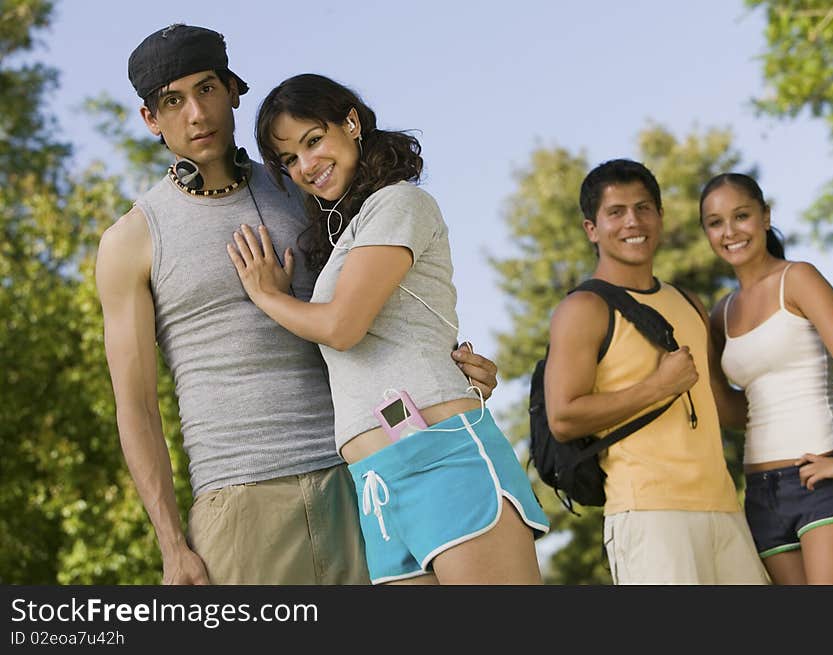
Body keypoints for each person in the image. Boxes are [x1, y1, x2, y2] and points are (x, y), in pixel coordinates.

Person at [95, 23, 499, 585]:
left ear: (234, 89)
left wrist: (451, 367)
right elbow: (135, 406)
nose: (196, 113)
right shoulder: (131, 241)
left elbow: (381, 295)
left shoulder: (305, 188)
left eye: (207, 89)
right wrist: (171, 544)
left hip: (364, 472)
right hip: (239, 499)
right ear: (151, 120)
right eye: (172, 101)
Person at [226, 73, 549, 585]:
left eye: (313, 140)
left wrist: (268, 295)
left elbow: (343, 326)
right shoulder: (345, 233)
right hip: (377, 482)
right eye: (289, 159)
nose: (306, 166)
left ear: (351, 123)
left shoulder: (400, 202)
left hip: (442, 459)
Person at [542, 158, 769, 584]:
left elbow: (721, 406)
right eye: (616, 212)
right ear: (591, 228)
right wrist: (658, 387)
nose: (633, 221)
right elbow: (563, 417)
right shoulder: (583, 309)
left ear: (660, 217)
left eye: (644, 208)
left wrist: (809, 397)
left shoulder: (688, 302)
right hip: (649, 514)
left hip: (723, 507)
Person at [699, 172, 833, 584]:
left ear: (765, 216)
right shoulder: (720, 314)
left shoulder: (797, 278)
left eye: (741, 216)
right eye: (715, 222)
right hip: (761, 491)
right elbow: (731, 410)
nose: (730, 232)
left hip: (822, 476)